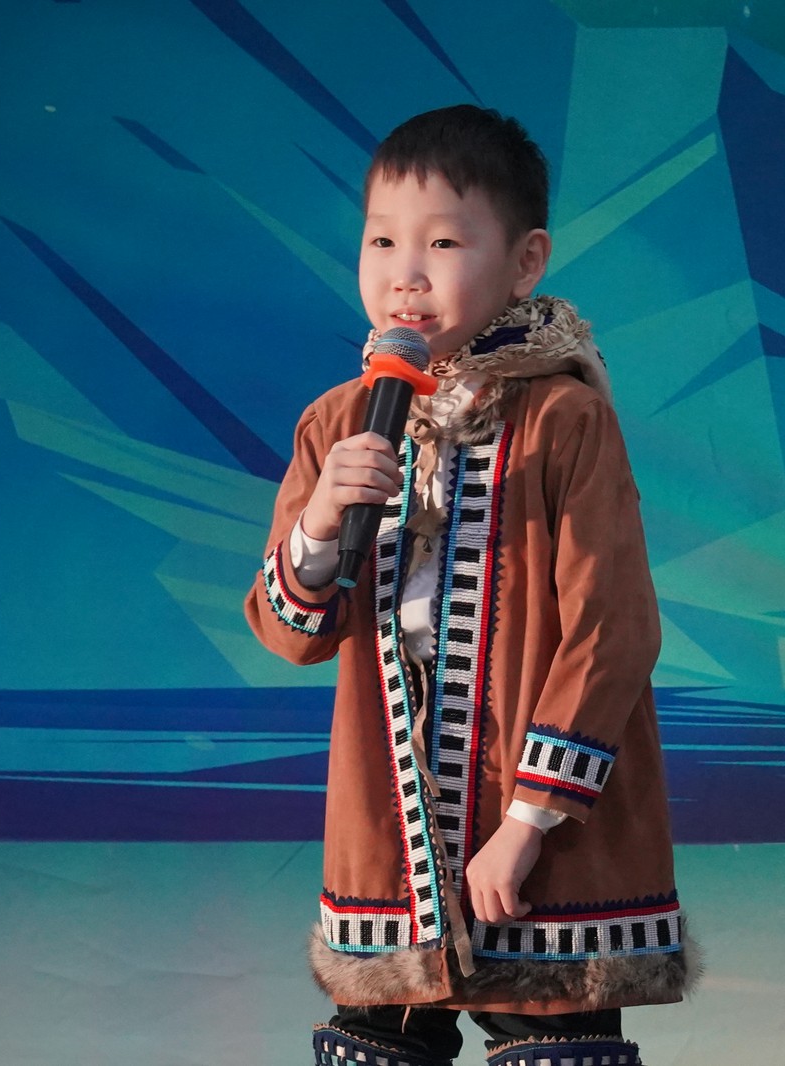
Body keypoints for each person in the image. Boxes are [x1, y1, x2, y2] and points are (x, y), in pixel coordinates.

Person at [245, 104, 692, 1066]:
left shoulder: (563, 418)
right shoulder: (339, 423)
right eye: (381, 240)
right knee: (372, 1044)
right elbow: (291, 631)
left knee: (553, 1041)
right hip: (391, 826)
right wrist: (320, 520)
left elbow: (612, 629)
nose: (404, 272)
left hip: (541, 832)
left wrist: (528, 822)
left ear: (525, 261)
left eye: (443, 242)